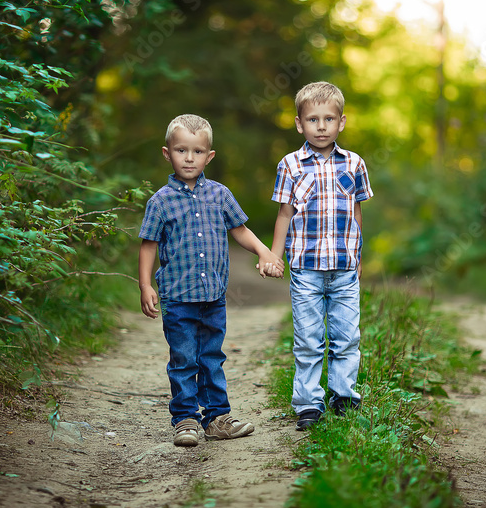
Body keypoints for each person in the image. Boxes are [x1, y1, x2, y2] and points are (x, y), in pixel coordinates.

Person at [138, 114, 284, 447]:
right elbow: (148, 244)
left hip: (213, 297)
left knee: (212, 357)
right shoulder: (160, 202)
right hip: (177, 297)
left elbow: (240, 230)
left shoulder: (220, 195)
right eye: (181, 150)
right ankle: (186, 419)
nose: (189, 158)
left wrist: (265, 252)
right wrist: (146, 284)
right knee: (184, 358)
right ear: (167, 153)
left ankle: (217, 418)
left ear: (209, 156)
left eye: (197, 151)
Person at [269, 82, 373, 430]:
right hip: (306, 268)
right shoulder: (291, 165)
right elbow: (284, 214)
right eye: (312, 119)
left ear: (342, 122)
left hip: (344, 267)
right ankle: (308, 403)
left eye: (329, 118)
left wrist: (358, 255)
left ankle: (343, 395)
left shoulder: (354, 164)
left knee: (347, 336)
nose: (321, 126)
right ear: (299, 124)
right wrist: (274, 254)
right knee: (309, 339)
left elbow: (356, 214)